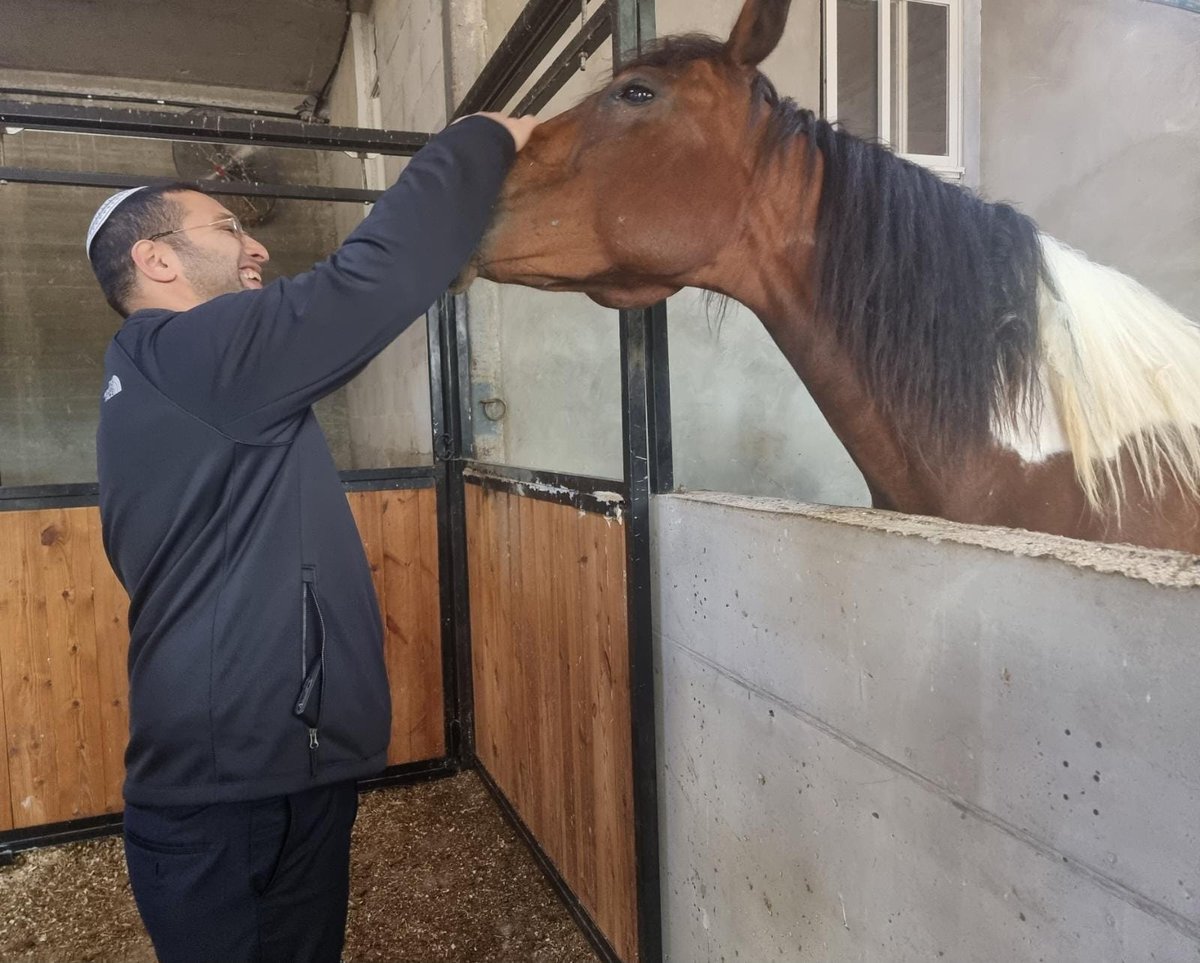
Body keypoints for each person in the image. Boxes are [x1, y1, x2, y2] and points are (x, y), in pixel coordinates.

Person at [87, 111, 538, 963]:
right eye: (226, 227)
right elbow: (369, 281)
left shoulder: (153, 377)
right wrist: (477, 138)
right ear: (157, 260)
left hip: (268, 776)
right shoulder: (193, 351)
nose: (256, 248)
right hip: (234, 798)